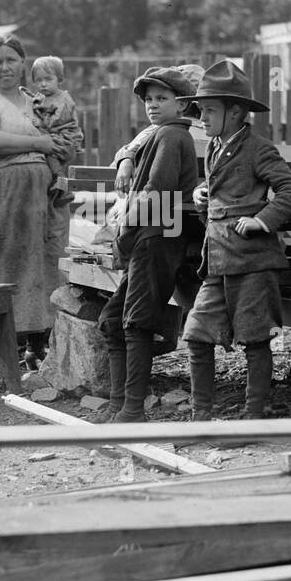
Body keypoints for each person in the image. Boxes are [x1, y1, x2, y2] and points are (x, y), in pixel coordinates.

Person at [183, 59, 291, 421]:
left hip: (253, 261)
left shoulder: (258, 148)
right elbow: (222, 190)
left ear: (235, 112)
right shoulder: (216, 147)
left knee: (255, 338)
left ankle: (255, 415)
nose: (201, 118)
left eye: (208, 111)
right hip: (218, 259)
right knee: (196, 334)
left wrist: (261, 221)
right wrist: (200, 194)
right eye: (201, 110)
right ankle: (199, 416)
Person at [93, 67, 199, 423]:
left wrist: (123, 230)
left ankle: (132, 409)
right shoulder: (159, 134)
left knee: (137, 320)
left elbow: (157, 192)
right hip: (148, 236)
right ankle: (117, 402)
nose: (153, 106)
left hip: (159, 237)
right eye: (149, 100)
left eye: (162, 99)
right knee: (112, 317)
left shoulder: (172, 135)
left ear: (182, 103)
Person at [0, 35, 64, 369]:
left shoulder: (40, 101)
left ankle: (37, 347)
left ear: (23, 63)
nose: (5, 68)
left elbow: (65, 139)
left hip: (43, 194)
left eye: (11, 60)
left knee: (42, 263)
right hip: (2, 192)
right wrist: (41, 143)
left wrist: (53, 153)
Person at [23, 55, 82, 208]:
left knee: (47, 149)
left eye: (48, 79)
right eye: (38, 80)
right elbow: (34, 103)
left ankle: (62, 182)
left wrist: (40, 122)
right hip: (55, 136)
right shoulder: (43, 97)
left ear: (59, 79)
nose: (43, 84)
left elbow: (58, 121)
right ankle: (58, 192)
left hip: (65, 138)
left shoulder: (64, 99)